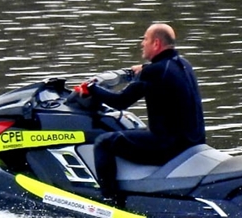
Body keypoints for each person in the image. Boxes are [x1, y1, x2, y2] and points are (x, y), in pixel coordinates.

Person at [81, 23, 205, 203]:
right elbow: (161, 73)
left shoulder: (154, 72)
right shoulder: (183, 65)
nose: (142, 43)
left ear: (156, 43)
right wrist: (144, 69)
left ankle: (109, 200)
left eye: (145, 39)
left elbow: (121, 102)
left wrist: (92, 88)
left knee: (103, 142)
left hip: (170, 147)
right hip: (192, 142)